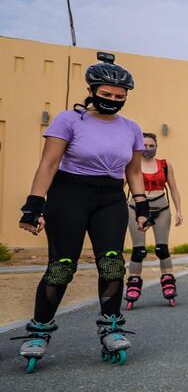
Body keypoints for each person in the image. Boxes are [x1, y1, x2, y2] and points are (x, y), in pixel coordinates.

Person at [15, 53, 149, 372]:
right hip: (69, 194)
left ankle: (111, 328)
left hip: (111, 197)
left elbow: (133, 172)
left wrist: (142, 205)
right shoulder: (68, 120)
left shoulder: (131, 128)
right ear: (90, 90)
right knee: (62, 266)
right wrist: (34, 204)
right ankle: (39, 331)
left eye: (120, 97)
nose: (113, 101)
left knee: (112, 264)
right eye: (106, 95)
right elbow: (48, 164)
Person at [124, 133, 184, 308]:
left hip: (161, 209)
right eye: (145, 145)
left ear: (156, 146)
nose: (148, 149)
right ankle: (133, 284)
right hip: (136, 209)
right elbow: (120, 185)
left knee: (162, 249)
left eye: (151, 145)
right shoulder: (131, 164)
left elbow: (173, 188)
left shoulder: (165, 165)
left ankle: (168, 282)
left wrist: (179, 210)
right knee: (139, 251)